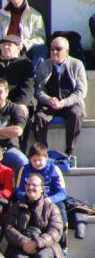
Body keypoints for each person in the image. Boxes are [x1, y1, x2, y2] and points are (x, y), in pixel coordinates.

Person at [5, 173, 64, 258]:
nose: (30, 187)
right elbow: (8, 228)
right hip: (22, 246)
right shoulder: (16, 207)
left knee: (43, 257)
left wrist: (37, 243)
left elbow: (56, 231)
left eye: (34, 185)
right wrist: (24, 242)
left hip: (45, 246)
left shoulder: (52, 208)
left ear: (42, 188)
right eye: (28, 185)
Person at [34, 36, 87, 165]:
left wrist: (64, 102)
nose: (54, 52)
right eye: (52, 49)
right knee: (39, 117)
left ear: (67, 51)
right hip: (50, 104)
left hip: (69, 103)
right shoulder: (44, 65)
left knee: (76, 114)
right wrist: (48, 99)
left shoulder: (77, 64)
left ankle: (69, 152)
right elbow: (38, 90)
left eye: (58, 49)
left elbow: (81, 91)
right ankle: (43, 153)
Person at [14, 143, 68, 250]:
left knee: (61, 208)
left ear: (46, 158)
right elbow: (18, 191)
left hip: (49, 200)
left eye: (40, 160)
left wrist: (49, 199)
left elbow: (62, 193)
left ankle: (63, 246)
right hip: (29, 199)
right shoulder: (24, 170)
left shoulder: (54, 169)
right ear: (30, 159)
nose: (38, 163)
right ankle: (20, 244)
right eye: (34, 160)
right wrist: (29, 197)